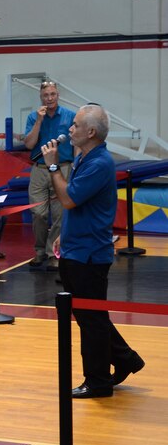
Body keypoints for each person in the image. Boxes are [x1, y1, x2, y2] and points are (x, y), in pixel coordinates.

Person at [41, 103, 144, 399]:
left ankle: (97, 381)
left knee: (92, 320)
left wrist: (51, 166)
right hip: (76, 248)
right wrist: (63, 233)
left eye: (75, 125)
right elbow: (79, 206)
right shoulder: (85, 157)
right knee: (89, 317)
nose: (69, 129)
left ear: (91, 131)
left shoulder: (99, 163)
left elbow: (69, 199)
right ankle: (126, 359)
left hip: (88, 255)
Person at [24, 81, 75, 271]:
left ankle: (53, 253)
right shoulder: (33, 117)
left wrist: (76, 165)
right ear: (41, 97)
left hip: (62, 167)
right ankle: (38, 251)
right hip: (39, 168)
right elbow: (29, 144)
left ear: (58, 95)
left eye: (53, 94)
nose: (50, 98)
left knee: (60, 213)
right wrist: (38, 121)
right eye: (46, 95)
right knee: (38, 212)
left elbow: (76, 142)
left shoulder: (70, 116)